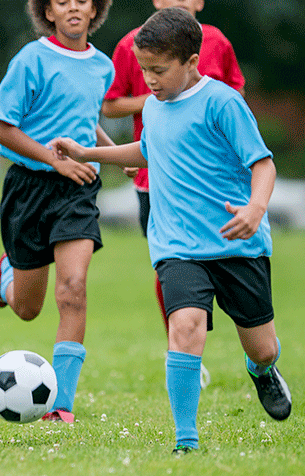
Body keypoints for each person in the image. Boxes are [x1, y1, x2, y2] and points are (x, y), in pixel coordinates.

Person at [50, 6, 291, 454]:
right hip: (177, 244)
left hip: (237, 243)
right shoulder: (156, 106)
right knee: (184, 325)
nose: (150, 81)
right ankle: (186, 441)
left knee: (262, 348)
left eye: (159, 70)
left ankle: (261, 371)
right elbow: (147, 149)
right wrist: (88, 152)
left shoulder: (223, 102)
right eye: (144, 71)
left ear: (192, 62)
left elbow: (263, 163)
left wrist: (257, 208)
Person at [101, 0, 245, 390]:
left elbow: (234, 104)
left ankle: (256, 345)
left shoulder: (219, 42)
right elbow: (110, 104)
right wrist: (163, 97)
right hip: (156, 179)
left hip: (215, 186)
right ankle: (182, 349)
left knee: (229, 266)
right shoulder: (133, 44)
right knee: (172, 263)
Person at [0, 0, 114, 423]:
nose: (74, 7)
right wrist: (52, 158)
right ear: (48, 11)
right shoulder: (30, 60)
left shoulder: (103, 66)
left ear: (96, 8)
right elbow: (2, 127)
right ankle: (6, 273)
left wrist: (112, 153)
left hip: (77, 189)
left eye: (82, 0)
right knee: (27, 308)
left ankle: (60, 406)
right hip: (28, 187)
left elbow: (85, 117)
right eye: (63, 1)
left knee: (73, 289)